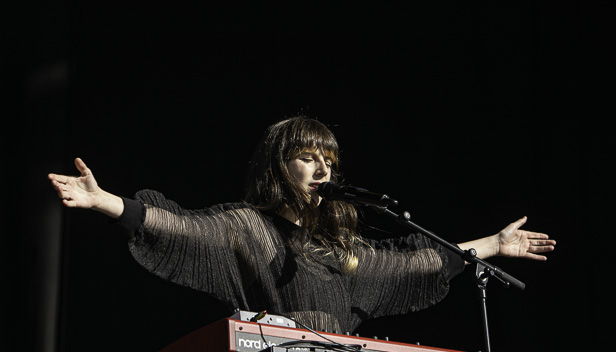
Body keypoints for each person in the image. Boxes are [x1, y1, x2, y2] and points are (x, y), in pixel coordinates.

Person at [48, 116, 555, 336]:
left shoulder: (341, 247)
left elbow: (414, 262)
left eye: (328, 161)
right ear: (278, 167)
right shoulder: (247, 227)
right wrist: (105, 201)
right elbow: (178, 228)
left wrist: (494, 243)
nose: (322, 170)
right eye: (307, 158)